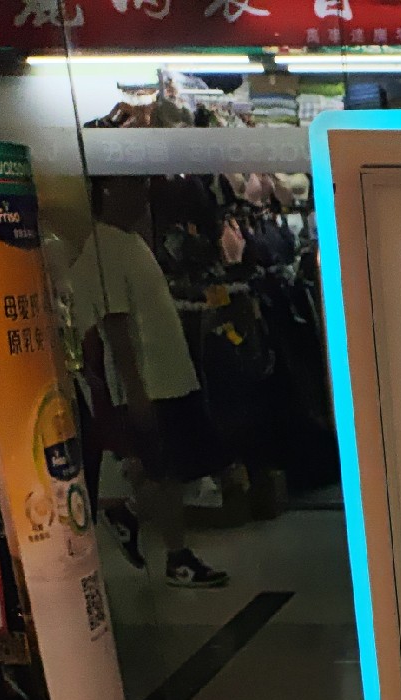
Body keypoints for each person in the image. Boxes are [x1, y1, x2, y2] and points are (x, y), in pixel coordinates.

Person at [69, 179, 228, 589]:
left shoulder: (129, 242)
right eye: (133, 188)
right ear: (108, 193)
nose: (142, 197)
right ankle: (175, 555)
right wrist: (135, 390)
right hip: (151, 383)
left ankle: (125, 512)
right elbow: (115, 324)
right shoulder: (103, 249)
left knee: (161, 467)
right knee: (166, 471)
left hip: (168, 378)